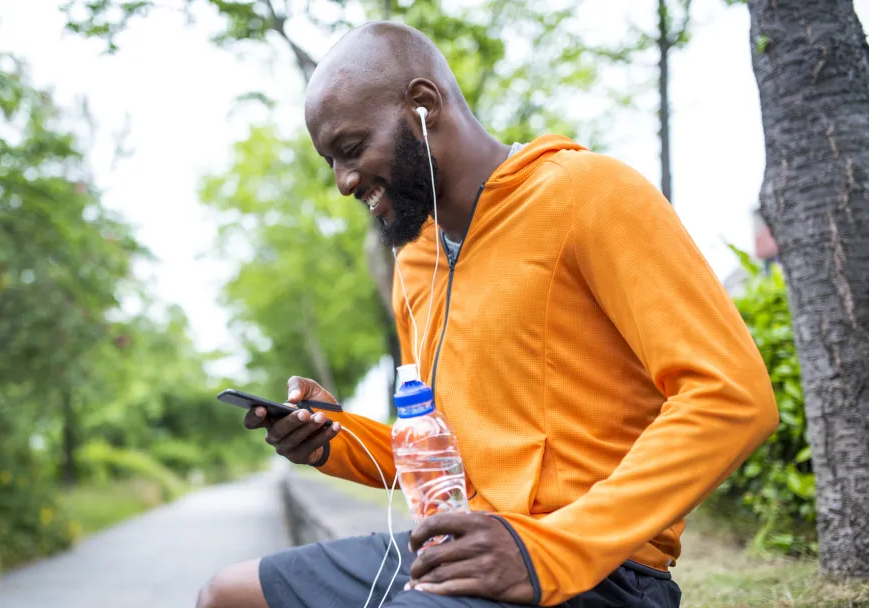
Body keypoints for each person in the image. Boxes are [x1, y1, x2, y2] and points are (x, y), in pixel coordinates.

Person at [197, 20, 778, 608]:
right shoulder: (416, 263)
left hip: (601, 570)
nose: (344, 182)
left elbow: (731, 397)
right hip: (464, 544)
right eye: (330, 162)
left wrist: (552, 550)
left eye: (351, 149)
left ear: (423, 106)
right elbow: (447, 452)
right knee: (228, 594)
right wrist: (334, 439)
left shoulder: (588, 193)